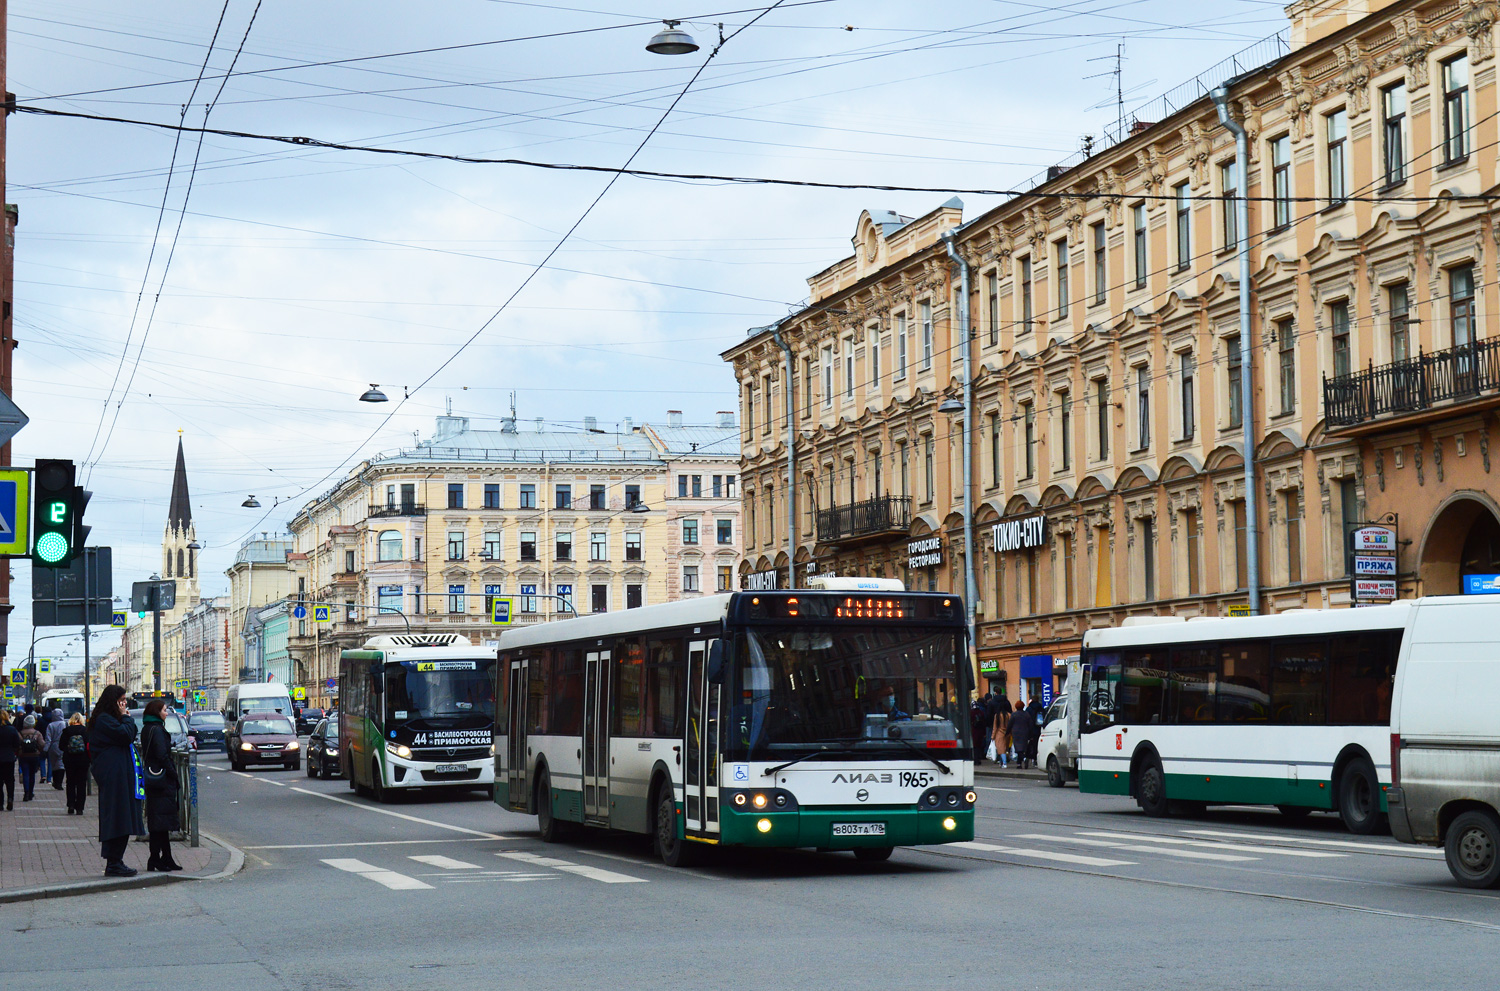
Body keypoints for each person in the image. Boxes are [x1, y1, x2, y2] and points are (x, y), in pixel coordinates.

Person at [89, 685, 145, 877]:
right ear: (113, 701)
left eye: (125, 700)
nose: (124, 704)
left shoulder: (106, 718)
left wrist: (123, 718)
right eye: (121, 700)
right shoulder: (105, 719)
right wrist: (126, 717)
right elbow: (126, 735)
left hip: (117, 773)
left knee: (121, 816)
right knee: (118, 817)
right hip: (114, 775)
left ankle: (116, 861)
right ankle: (114, 862)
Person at [139, 699, 183, 871]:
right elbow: (162, 755)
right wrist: (173, 773)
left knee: (160, 822)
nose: (166, 713)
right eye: (164, 710)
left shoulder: (148, 728)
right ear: (157, 712)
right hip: (160, 780)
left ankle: (165, 857)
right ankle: (155, 859)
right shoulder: (157, 730)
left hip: (153, 779)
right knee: (159, 823)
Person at [59, 713, 90, 815]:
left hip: (70, 760)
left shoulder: (67, 731)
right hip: (83, 760)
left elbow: (61, 746)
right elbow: (89, 745)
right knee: (82, 783)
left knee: (70, 782)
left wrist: (68, 750)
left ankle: (71, 805)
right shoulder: (85, 731)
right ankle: (80, 808)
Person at [18, 714, 44, 801]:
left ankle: (26, 793)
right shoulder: (37, 733)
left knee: (25, 774)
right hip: (34, 756)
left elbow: (17, 745)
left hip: (23, 756)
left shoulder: (20, 733)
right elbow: (42, 744)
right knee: (32, 775)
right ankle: (31, 792)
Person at [0, 710, 19, 810]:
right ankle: (10, 798)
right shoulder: (12, 729)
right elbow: (17, 743)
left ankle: (0, 803)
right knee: (10, 780)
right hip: (9, 758)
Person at [1007, 700, 1034, 770]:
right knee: (1023, 748)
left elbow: (1010, 724)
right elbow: (1030, 725)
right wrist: (1031, 734)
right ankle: (1020, 762)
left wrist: (1007, 732)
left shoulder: (1014, 714)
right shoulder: (1027, 714)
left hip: (1016, 733)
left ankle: (1022, 761)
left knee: (1018, 749)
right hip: (1025, 732)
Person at [45, 708, 67, 791]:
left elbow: (48, 738)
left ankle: (55, 781)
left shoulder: (50, 725)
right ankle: (59, 782)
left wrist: (45, 749)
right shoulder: (64, 724)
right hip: (62, 745)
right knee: (61, 764)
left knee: (53, 765)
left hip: (52, 746)